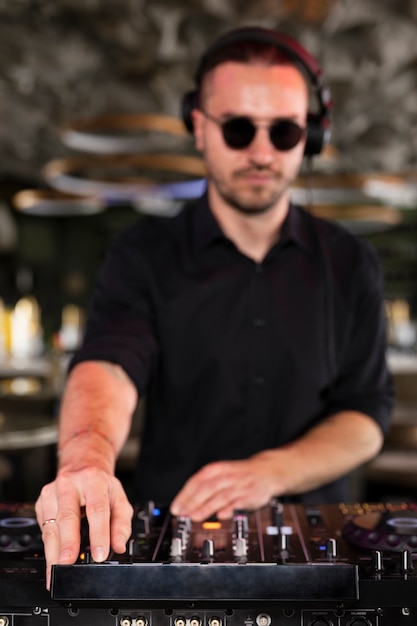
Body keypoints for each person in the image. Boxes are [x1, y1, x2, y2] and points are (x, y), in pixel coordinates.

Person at [36, 26, 394, 588]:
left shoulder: (353, 263)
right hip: (165, 539)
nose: (260, 152)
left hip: (313, 543)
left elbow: (367, 414)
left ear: (312, 136)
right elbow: (110, 361)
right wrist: (85, 459)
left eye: (284, 131)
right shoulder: (142, 253)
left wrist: (269, 472)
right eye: (237, 128)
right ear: (199, 128)